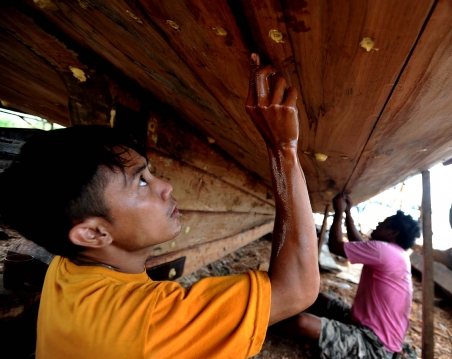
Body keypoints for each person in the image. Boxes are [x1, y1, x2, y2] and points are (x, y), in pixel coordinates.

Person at [0, 53, 319, 358]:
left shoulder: (69, 265)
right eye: (141, 182)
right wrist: (283, 148)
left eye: (149, 173)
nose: (165, 187)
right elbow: (296, 290)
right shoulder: (147, 322)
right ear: (94, 234)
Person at [271, 194, 420, 359]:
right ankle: (322, 342)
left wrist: (339, 212)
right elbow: (358, 245)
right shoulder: (396, 254)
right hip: (361, 323)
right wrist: (348, 212)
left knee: (302, 323)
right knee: (321, 299)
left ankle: (261, 324)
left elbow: (335, 246)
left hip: (375, 346)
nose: (378, 224)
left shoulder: (384, 251)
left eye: (384, 223)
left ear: (393, 232)